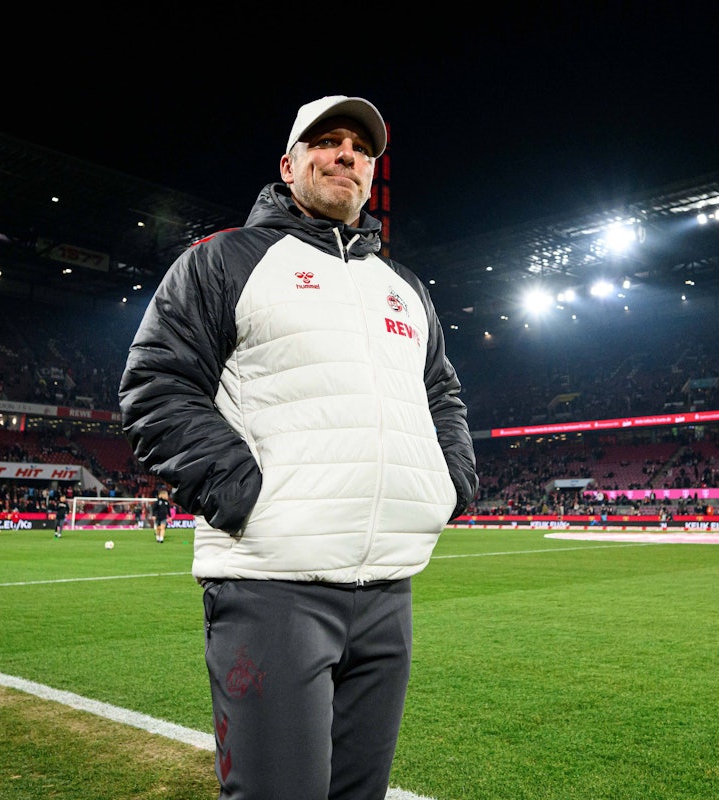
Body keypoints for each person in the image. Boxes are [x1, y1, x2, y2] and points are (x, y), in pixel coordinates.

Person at [119, 94, 478, 800]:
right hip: (271, 583)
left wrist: (450, 486)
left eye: (361, 149)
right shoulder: (223, 261)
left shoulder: (403, 288)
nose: (347, 154)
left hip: (387, 587)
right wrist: (248, 499)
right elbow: (155, 384)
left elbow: (443, 397)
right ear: (289, 165)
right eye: (327, 141)